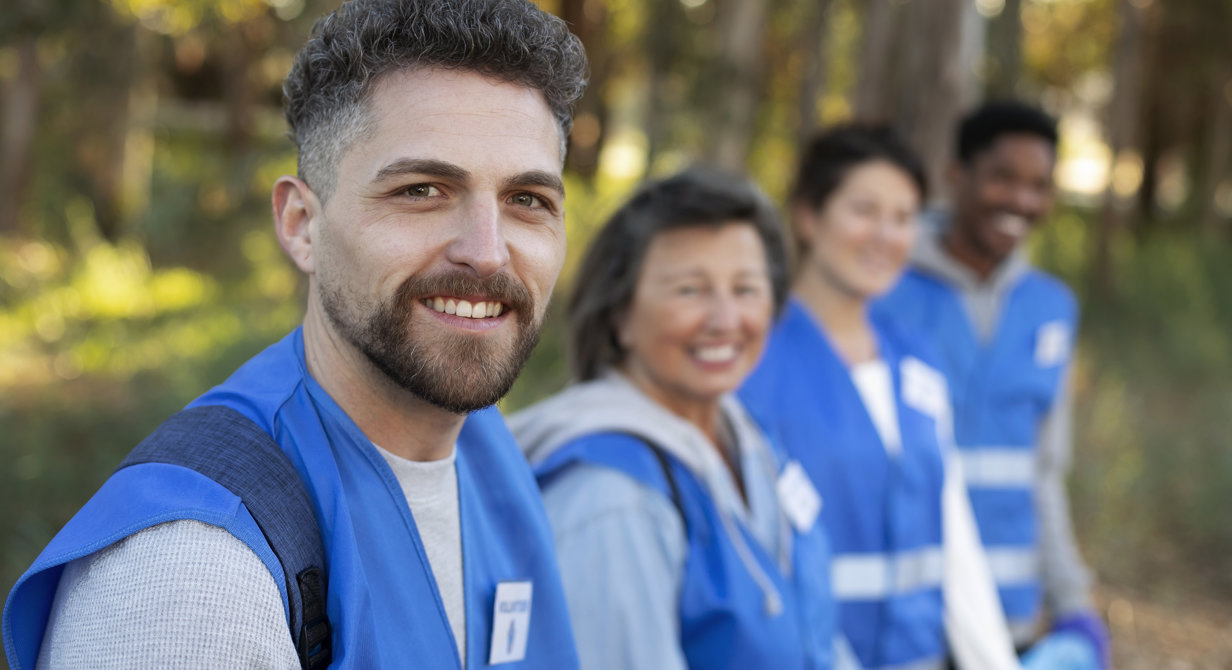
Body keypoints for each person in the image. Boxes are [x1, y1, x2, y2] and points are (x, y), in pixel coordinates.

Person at [3, 1, 587, 668]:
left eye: (528, 201)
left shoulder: (488, 457)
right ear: (302, 224)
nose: (487, 252)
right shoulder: (188, 582)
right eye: (422, 190)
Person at [511, 169, 837, 670]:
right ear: (619, 315)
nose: (726, 320)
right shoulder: (611, 496)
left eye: (747, 289)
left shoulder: (749, 438)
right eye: (690, 290)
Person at [739, 124, 1023, 670]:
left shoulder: (916, 361)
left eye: (903, 217)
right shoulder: (750, 363)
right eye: (865, 210)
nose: (886, 236)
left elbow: (954, 538)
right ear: (807, 216)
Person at [872, 102, 1108, 668]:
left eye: (1040, 185)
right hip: (907, 620)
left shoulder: (1052, 308)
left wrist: (1072, 599)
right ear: (957, 175)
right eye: (1003, 177)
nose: (1022, 202)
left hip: (1013, 621)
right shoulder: (883, 292)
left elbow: (1045, 471)